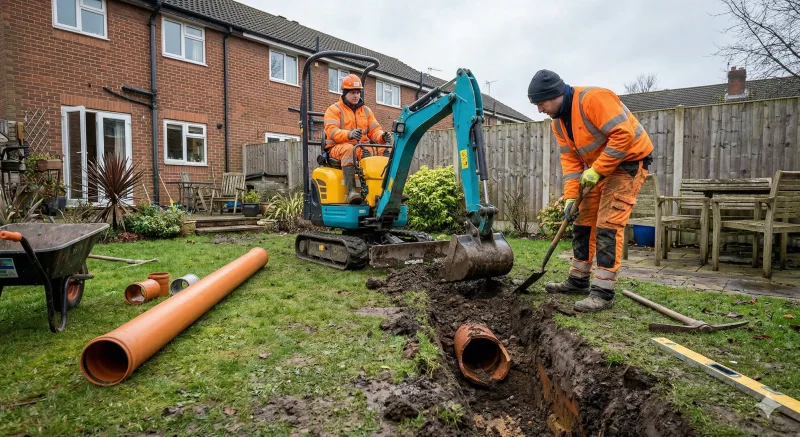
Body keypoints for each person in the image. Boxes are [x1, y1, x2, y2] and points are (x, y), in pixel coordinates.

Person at [528, 69, 653, 312]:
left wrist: (598, 169)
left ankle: (603, 292)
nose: (539, 110)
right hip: (597, 168)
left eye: (541, 103)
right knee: (582, 220)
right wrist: (572, 197)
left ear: (554, 95)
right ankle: (578, 280)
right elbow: (571, 163)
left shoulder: (593, 99)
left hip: (628, 162)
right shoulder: (559, 123)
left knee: (608, 224)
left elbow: (623, 135)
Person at [324, 73, 393, 204]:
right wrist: (348, 134)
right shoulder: (333, 110)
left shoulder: (366, 111)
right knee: (349, 149)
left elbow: (375, 130)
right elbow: (332, 131)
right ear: (345, 93)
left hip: (361, 147)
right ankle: (351, 191)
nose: (356, 95)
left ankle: (389, 191)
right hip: (338, 147)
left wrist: (382, 137)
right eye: (352, 92)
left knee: (386, 151)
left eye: (358, 92)